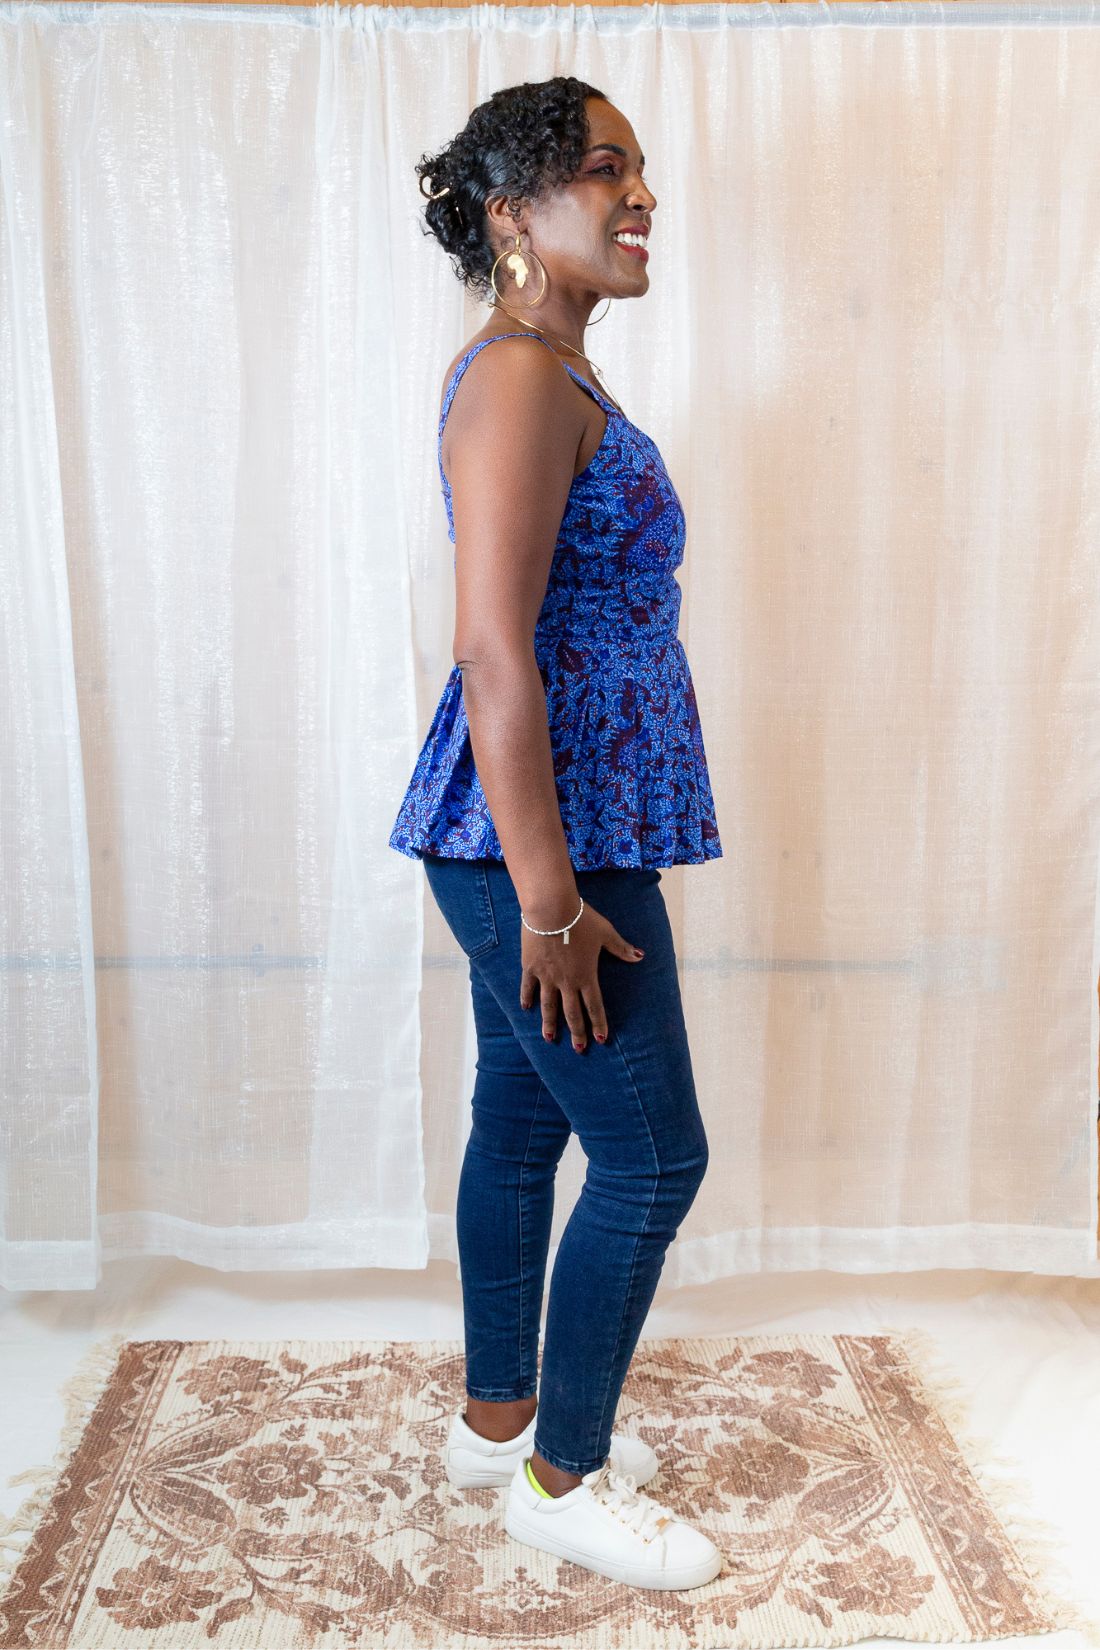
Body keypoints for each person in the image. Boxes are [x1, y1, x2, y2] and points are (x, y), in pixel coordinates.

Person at [388, 75, 724, 1592]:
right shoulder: (521, 376)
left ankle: (497, 1417)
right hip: (548, 844)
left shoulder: (554, 373)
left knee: (523, 1124)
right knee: (653, 1160)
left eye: (643, 170)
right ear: (515, 215)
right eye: (605, 171)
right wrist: (545, 900)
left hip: (561, 826)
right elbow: (491, 651)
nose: (640, 194)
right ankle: (560, 1479)